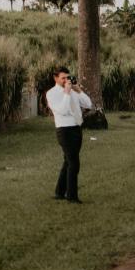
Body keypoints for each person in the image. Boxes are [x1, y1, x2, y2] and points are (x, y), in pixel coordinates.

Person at [46, 66, 93, 203]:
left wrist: (79, 91)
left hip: (76, 129)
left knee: (68, 161)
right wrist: (66, 93)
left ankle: (59, 192)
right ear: (56, 78)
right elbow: (63, 110)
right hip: (64, 130)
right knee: (74, 163)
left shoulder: (73, 90)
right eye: (63, 78)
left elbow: (88, 104)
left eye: (68, 77)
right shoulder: (52, 93)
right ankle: (71, 196)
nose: (66, 80)